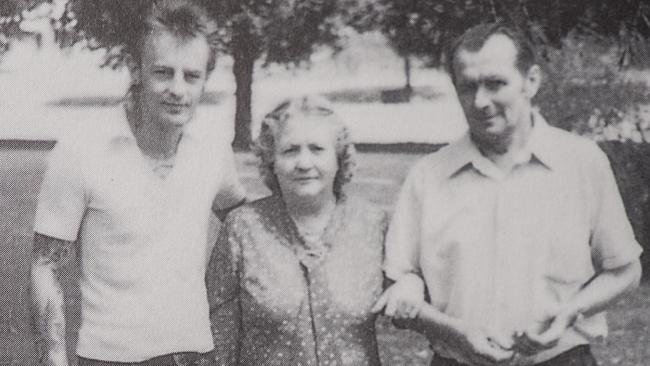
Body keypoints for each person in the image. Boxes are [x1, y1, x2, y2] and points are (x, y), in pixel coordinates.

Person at [381, 23, 643, 366]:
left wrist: (569, 312)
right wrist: (451, 330)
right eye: (468, 87)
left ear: (531, 81)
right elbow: (399, 283)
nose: (480, 101)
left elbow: (624, 271)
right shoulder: (427, 176)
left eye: (495, 84)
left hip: (562, 359)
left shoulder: (582, 162)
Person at [30, 1, 246, 365]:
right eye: (163, 72)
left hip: (196, 355)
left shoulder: (213, 150)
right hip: (111, 358)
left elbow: (246, 219)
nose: (178, 89)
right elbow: (45, 266)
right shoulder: (81, 149)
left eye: (191, 76)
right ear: (136, 69)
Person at [206, 95, 416, 365]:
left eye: (317, 149)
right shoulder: (243, 228)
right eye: (290, 150)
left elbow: (406, 286)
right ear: (271, 161)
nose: (304, 163)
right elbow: (219, 329)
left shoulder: (373, 225)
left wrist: (412, 282)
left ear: (339, 158)